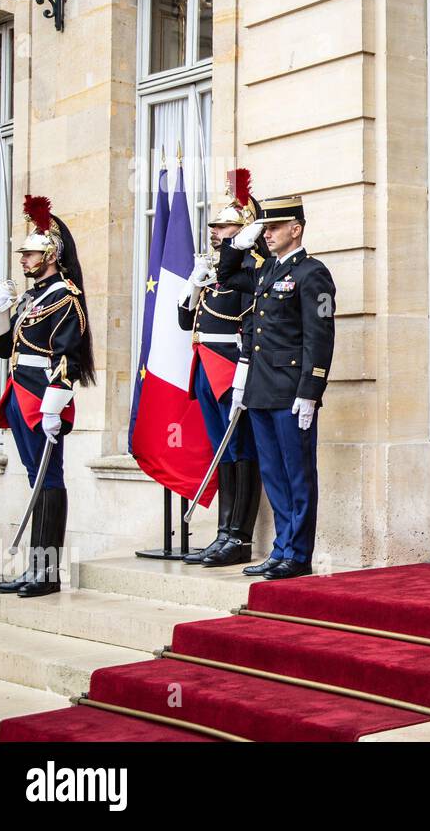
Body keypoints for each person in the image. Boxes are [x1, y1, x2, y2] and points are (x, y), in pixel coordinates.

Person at [0, 196, 96, 597]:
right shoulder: (31, 297)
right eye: (25, 253)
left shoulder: (64, 296)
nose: (24, 258)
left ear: (51, 254)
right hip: (18, 393)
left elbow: (70, 355)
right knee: (36, 479)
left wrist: (56, 403)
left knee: (49, 480)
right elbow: (5, 350)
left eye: (32, 252)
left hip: (43, 398)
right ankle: (35, 566)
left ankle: (48, 572)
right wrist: (3, 313)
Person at [231, 195, 336, 580]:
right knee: (274, 475)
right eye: (264, 228)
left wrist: (311, 390)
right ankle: (280, 549)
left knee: (298, 474)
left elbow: (320, 337)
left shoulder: (313, 273)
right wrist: (236, 243)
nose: (267, 234)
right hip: (261, 389)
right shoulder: (266, 272)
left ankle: (298, 554)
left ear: (296, 229)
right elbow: (226, 278)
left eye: (273, 227)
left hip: (292, 392)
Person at [177, 169, 264, 567]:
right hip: (205, 365)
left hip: (231, 365)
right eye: (214, 225)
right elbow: (185, 320)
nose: (215, 231)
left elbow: (252, 320)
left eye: (224, 225)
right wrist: (194, 285)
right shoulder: (215, 268)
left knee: (241, 449)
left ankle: (240, 537)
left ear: (244, 227)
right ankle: (223, 531)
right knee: (222, 452)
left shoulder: (253, 269)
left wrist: (245, 367)